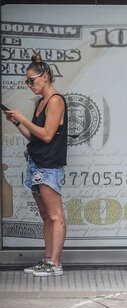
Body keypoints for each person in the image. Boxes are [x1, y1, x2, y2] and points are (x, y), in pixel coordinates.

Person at [3, 52, 68, 276]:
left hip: (48, 165)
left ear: (45, 77)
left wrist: (23, 119)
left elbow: (48, 135)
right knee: (45, 214)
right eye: (26, 81)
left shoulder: (56, 100)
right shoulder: (41, 102)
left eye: (31, 80)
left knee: (55, 215)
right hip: (36, 163)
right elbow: (35, 137)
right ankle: (48, 259)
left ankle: (55, 264)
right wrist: (17, 123)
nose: (29, 84)